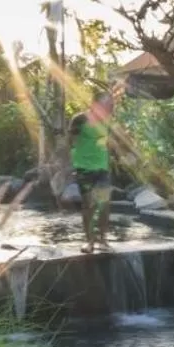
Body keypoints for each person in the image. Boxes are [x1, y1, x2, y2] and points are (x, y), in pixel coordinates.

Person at [70, 90, 114, 251]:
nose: (109, 106)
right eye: (105, 103)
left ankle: (103, 239)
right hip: (84, 170)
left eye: (110, 104)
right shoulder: (79, 119)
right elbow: (70, 141)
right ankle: (90, 241)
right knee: (88, 205)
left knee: (103, 204)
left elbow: (106, 141)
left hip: (102, 169)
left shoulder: (108, 121)